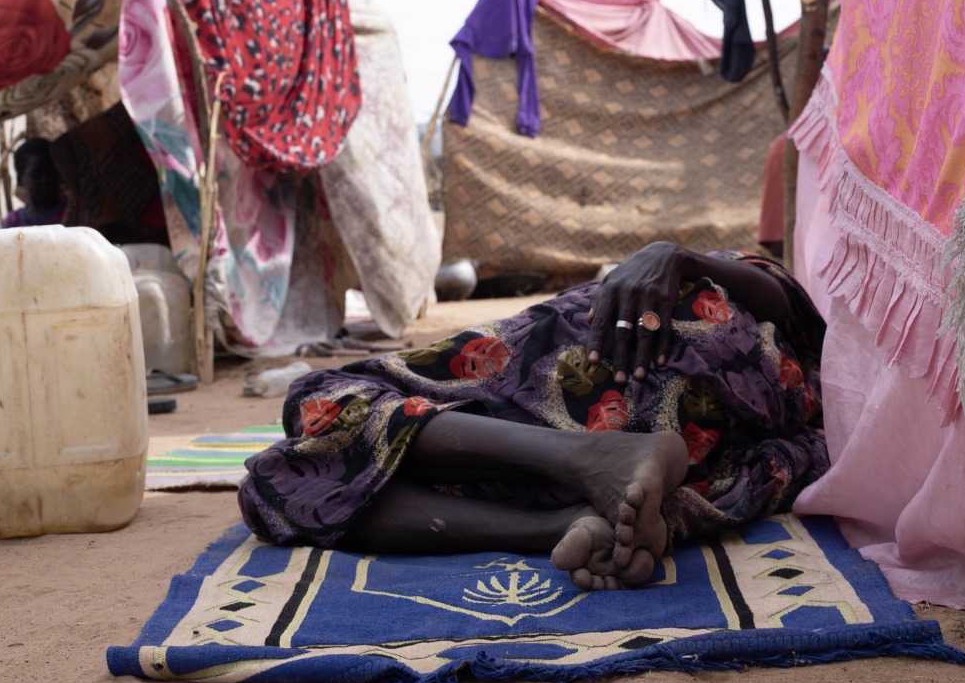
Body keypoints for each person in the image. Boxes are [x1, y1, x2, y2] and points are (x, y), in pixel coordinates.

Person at [239, 242, 830, 590]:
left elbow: (787, 301)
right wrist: (677, 516)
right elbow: (770, 470)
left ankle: (584, 463)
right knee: (288, 484)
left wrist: (672, 254)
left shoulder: (841, 394)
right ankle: (569, 517)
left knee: (321, 402)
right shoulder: (838, 439)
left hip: (643, 340)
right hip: (710, 408)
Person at [1, 138, 66, 229]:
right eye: (36, 175)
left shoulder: (71, 214)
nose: (45, 179)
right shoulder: (12, 223)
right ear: (20, 180)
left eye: (51, 171)